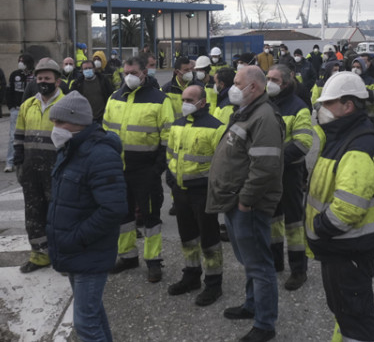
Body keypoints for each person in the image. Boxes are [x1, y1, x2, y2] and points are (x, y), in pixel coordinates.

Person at [306, 72, 374, 342]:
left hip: (346, 246)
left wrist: (320, 228)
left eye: (328, 103)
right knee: (345, 311)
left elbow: (348, 208)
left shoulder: (358, 145)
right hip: (342, 246)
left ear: (348, 105)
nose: (321, 109)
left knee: (356, 318)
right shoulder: (343, 135)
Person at [207, 66, 284, 342]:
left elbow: (265, 167)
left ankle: (265, 324)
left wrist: (246, 202)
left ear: (254, 87)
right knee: (250, 262)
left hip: (248, 205)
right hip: (235, 201)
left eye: (238, 83)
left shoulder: (264, 117)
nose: (232, 88)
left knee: (260, 265)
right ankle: (252, 305)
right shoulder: (247, 111)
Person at [46, 91, 126, 340]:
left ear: (79, 122)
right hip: (75, 250)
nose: (55, 129)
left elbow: (113, 209)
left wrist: (75, 238)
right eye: (54, 123)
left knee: (85, 323)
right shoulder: (71, 149)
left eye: (60, 122)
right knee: (92, 314)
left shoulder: (99, 155)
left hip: (88, 251)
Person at [103, 56, 174, 282]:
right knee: (123, 216)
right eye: (126, 72)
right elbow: (105, 131)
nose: (129, 76)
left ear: (144, 73)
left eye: (133, 72)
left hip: (146, 170)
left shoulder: (159, 99)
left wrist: (158, 167)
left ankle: (153, 261)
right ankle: (128, 256)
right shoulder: (114, 97)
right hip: (119, 169)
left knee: (151, 216)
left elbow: (168, 136)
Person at [165, 85, 227, 306]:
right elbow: (170, 154)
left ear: (202, 102)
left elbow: (222, 165)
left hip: (203, 193)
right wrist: (171, 179)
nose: (185, 103)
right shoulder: (177, 125)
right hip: (180, 192)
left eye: (190, 99)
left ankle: (213, 283)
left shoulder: (216, 128)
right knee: (188, 238)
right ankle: (191, 276)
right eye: (183, 99)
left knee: (209, 240)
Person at [13, 58, 66, 273]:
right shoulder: (28, 105)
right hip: (31, 171)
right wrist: (19, 161)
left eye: (48, 78)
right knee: (33, 215)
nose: (43, 82)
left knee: (59, 215)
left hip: (56, 171)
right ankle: (39, 255)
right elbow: (18, 136)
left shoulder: (66, 105)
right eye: (40, 78)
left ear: (58, 81)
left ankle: (62, 256)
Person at [266, 64, 313, 290]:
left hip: (290, 172)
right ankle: (276, 262)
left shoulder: (299, 107)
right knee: (273, 220)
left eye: (274, 79)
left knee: (294, 223)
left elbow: (303, 144)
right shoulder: (265, 104)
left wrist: (273, 158)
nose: (269, 83)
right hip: (268, 174)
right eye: (268, 78)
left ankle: (298, 269)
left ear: (285, 82)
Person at [5, 53, 36, 173]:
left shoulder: (34, 75)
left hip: (32, 109)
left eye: (23, 61)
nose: (20, 63)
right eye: (19, 60)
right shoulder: (15, 75)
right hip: (17, 110)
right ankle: (10, 162)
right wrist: (11, 107)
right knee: (13, 136)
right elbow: (9, 91)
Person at [163, 56, 197, 120]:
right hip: (175, 128)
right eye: (186, 70)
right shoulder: (166, 90)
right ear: (177, 72)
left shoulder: (198, 87)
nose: (190, 72)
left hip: (193, 128)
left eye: (190, 69)